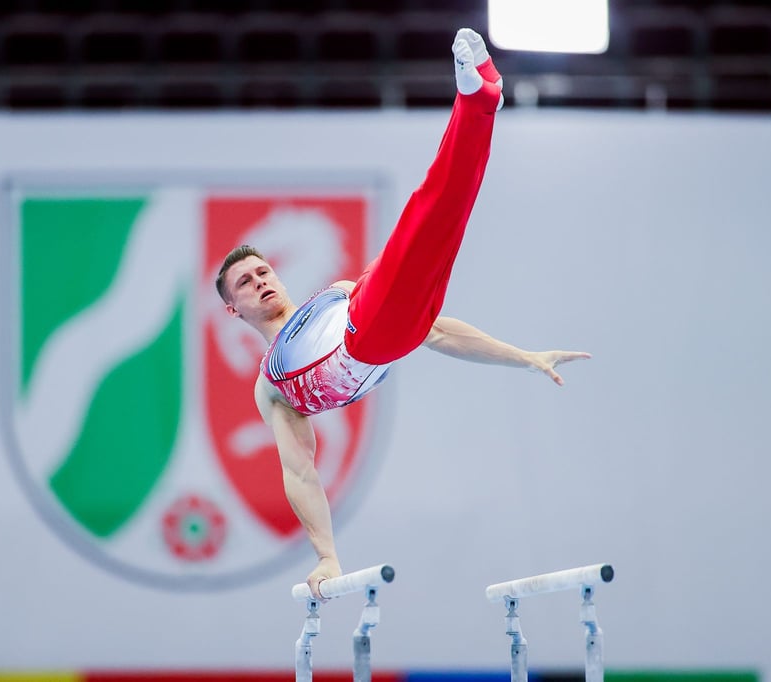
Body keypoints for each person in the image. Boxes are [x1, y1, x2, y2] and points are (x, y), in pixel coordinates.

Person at [215, 28, 590, 599]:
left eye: (263, 270)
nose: (260, 280)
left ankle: (479, 100)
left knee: (441, 212)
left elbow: (440, 333)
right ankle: (477, 100)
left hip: (375, 312)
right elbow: (301, 472)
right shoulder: (272, 383)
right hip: (368, 340)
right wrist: (328, 558)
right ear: (231, 307)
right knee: (438, 212)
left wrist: (524, 357)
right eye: (245, 282)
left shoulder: (332, 293)